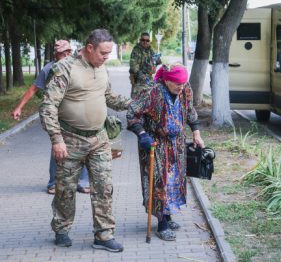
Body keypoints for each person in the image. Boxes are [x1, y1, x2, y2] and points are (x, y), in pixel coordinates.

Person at [39, 29, 131, 252]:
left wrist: (134, 103)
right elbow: (48, 106)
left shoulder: (101, 68)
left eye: (109, 53)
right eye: (103, 53)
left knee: (104, 187)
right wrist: (56, 140)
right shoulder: (65, 68)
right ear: (90, 48)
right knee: (65, 190)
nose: (106, 57)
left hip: (99, 139)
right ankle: (61, 228)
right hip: (70, 140)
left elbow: (108, 96)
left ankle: (104, 234)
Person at [127, 64, 204, 241]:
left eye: (183, 83)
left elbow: (190, 111)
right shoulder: (151, 92)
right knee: (159, 182)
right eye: (177, 83)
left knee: (174, 180)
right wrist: (142, 134)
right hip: (156, 144)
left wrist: (196, 133)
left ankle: (168, 216)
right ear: (167, 80)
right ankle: (161, 224)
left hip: (177, 143)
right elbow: (132, 113)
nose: (181, 87)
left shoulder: (185, 89)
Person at [11, 40, 90, 195]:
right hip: (56, 115)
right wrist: (19, 107)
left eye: (68, 51)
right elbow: (33, 89)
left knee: (83, 145)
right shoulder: (49, 69)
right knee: (58, 147)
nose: (67, 54)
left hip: (76, 113)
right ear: (56, 54)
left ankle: (83, 181)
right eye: (63, 52)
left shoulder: (76, 66)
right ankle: (53, 183)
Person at [129, 32, 161, 98]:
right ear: (140, 40)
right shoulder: (136, 50)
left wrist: (156, 61)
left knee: (149, 102)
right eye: (143, 40)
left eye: (147, 40)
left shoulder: (151, 50)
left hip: (149, 80)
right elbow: (133, 67)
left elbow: (158, 61)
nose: (145, 42)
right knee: (136, 103)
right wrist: (142, 75)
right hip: (138, 81)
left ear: (149, 41)